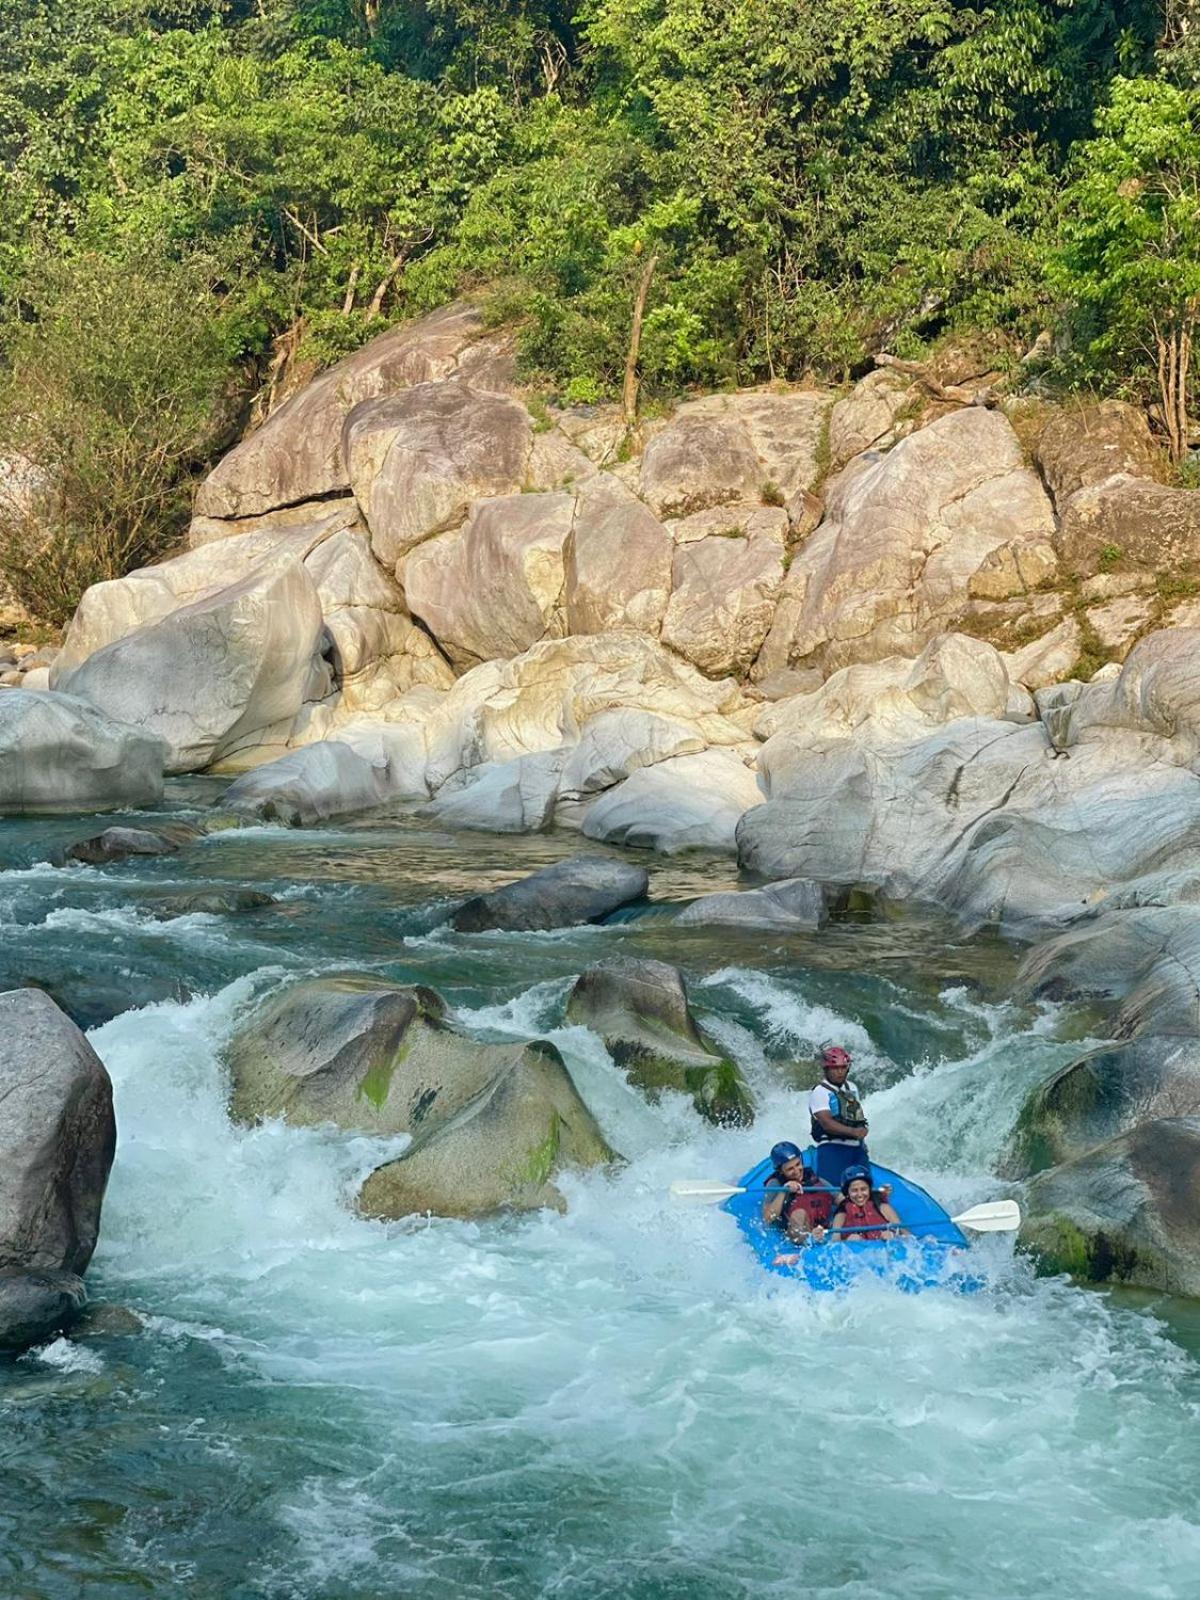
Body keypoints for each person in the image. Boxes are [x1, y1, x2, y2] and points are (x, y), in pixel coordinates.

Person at [807, 1045, 870, 1189]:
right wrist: (854, 1132)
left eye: (843, 1068)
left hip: (856, 1148)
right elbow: (826, 1123)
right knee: (833, 1192)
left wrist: (862, 1138)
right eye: (835, 1068)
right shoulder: (820, 1092)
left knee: (864, 1191)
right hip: (832, 1148)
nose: (840, 1072)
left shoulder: (852, 1088)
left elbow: (856, 1116)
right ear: (826, 1069)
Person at [761, 1141, 840, 1243]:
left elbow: (841, 1199)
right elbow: (767, 1218)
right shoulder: (775, 1184)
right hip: (798, 1234)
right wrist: (784, 1191)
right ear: (780, 1171)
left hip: (823, 1228)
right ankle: (809, 1240)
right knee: (800, 1213)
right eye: (790, 1169)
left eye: (798, 1164)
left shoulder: (812, 1177)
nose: (797, 1171)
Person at [830, 1166, 904, 1241]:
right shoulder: (842, 1212)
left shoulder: (881, 1206)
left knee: (888, 1235)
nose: (860, 1195)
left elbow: (904, 1232)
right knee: (854, 1238)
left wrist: (893, 1235)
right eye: (854, 1190)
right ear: (847, 1193)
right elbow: (835, 1240)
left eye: (863, 1189)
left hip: (882, 1248)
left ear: (869, 1189)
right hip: (858, 1250)